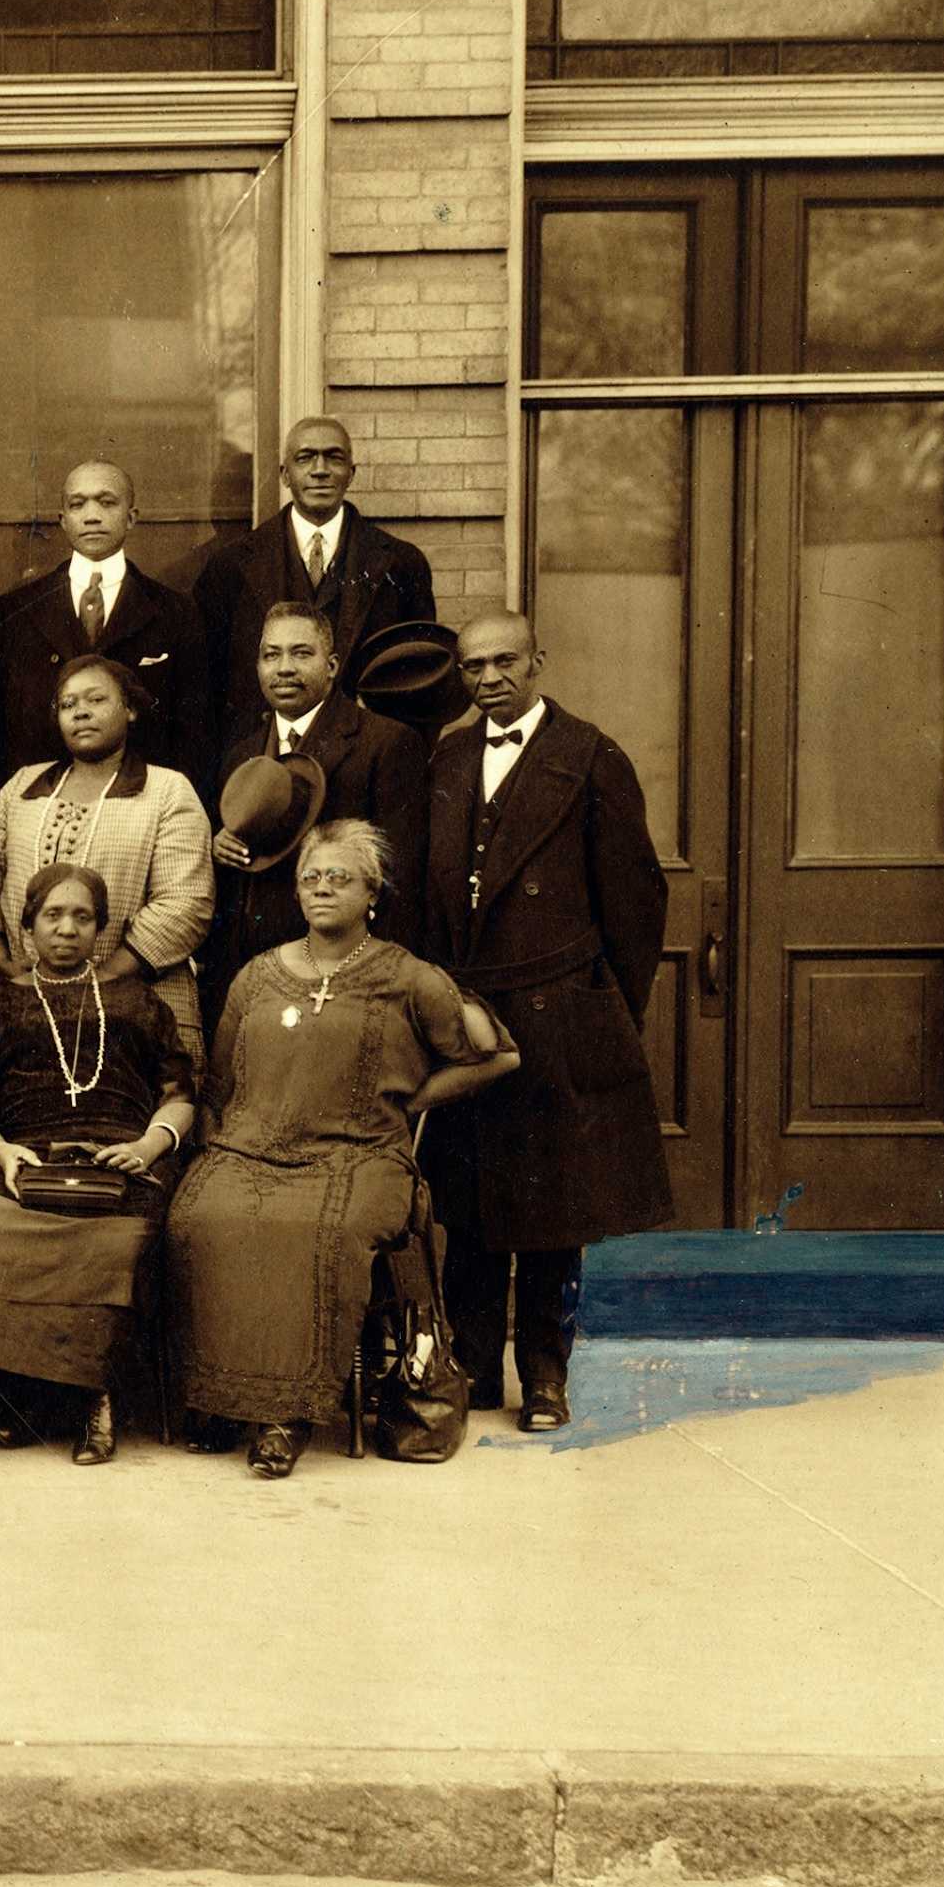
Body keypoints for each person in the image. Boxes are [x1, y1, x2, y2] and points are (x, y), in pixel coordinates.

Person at [167, 820, 518, 1479]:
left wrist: (414, 1100)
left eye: (340, 877)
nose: (322, 888)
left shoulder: (407, 975)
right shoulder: (256, 976)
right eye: (311, 878)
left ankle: (286, 1417)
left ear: (372, 892)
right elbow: (219, 1083)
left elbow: (498, 1054)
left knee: (316, 1230)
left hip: (363, 1154)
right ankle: (218, 1399)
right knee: (200, 1217)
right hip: (251, 1148)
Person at [420, 612, 672, 1432]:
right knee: (470, 1208)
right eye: (473, 667)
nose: (489, 678)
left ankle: (546, 1376)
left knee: (554, 1213)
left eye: (504, 662)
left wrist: (601, 1009)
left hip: (557, 1012)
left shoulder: (592, 757)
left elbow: (635, 902)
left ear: (537, 662)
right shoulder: (452, 754)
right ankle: (476, 1372)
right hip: (470, 1011)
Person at [0, 862, 197, 1465]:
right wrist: (1, 1150)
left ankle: (95, 1396)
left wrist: (147, 1147)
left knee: (117, 1241)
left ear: (101, 928)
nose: (67, 929)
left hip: (121, 1156)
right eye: (53, 916)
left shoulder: (137, 1000)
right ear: (27, 926)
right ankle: (28, 1393)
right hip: (24, 1157)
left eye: (82, 917)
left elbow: (181, 1094)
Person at [202, 602, 430, 1031]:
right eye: (271, 655)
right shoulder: (240, 753)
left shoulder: (385, 743)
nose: (284, 668)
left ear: (332, 665)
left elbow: (400, 880)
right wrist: (219, 845)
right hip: (253, 975)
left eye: (301, 653)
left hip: (343, 974)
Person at [0, 654, 217, 1059]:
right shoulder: (21, 788)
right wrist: (1, 960)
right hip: (29, 999)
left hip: (140, 1001)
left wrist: (105, 974)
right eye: (68, 705)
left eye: (96, 700)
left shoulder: (167, 791)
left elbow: (186, 902)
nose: (81, 713)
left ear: (130, 709)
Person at [194, 417, 439, 738]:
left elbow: (426, 680)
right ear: (284, 474)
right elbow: (206, 682)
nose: (320, 469)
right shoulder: (230, 565)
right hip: (261, 756)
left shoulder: (402, 563)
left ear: (351, 473)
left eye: (334, 457)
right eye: (305, 457)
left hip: (366, 757)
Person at [0, 460, 213, 791]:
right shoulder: (14, 613)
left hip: (141, 801)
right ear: (63, 520)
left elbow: (194, 733)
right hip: (41, 797)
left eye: (107, 502)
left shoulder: (176, 613)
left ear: (132, 516)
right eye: (78, 504)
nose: (92, 515)